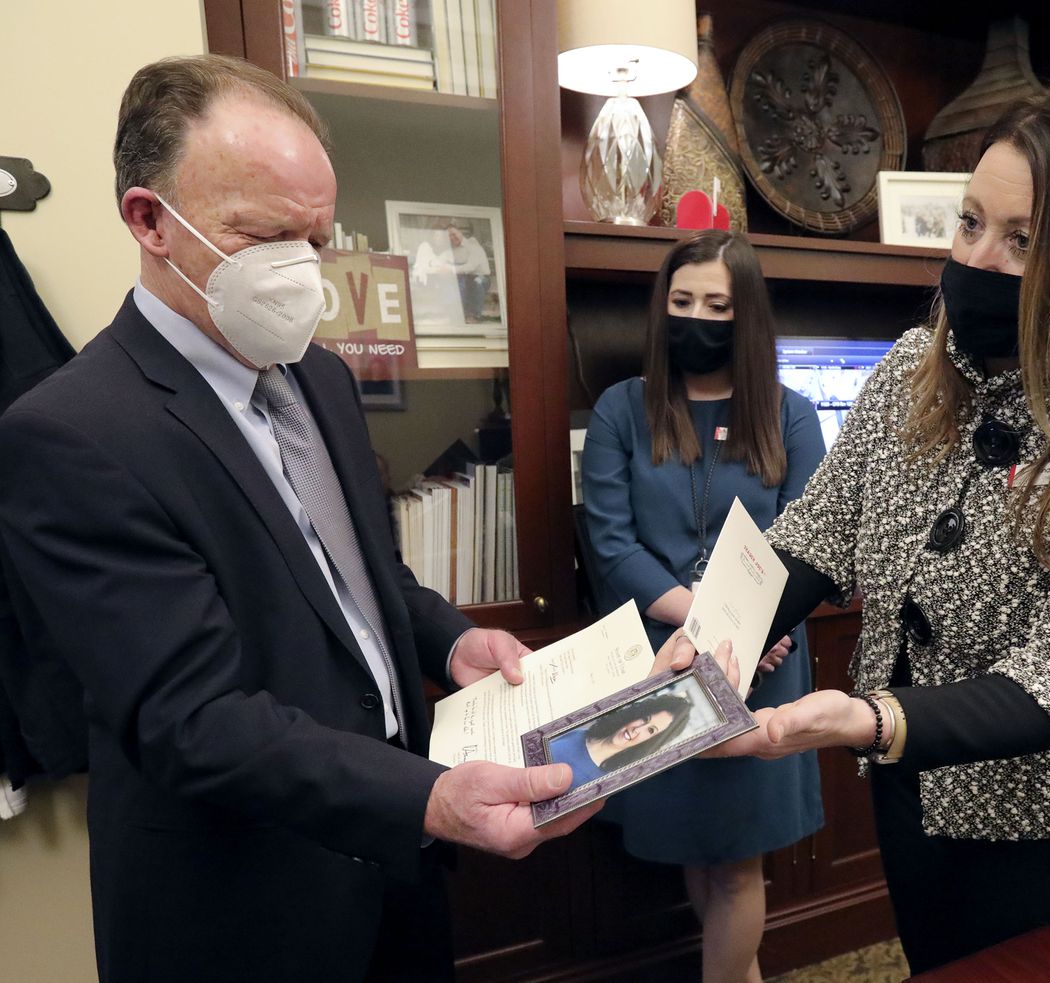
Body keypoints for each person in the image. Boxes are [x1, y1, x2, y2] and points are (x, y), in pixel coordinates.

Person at [0, 54, 638, 983]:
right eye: (263, 238)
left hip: (394, 864)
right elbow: (193, 717)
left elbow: (364, 581)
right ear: (150, 221)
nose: (301, 271)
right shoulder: (70, 433)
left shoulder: (323, 377)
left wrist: (454, 645)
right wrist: (430, 798)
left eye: (317, 235)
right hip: (240, 904)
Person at [721, 76, 1050, 973]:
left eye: (1024, 240)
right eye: (969, 223)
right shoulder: (921, 362)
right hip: (913, 791)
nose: (976, 258)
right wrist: (717, 624)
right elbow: (819, 528)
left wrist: (870, 718)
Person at [582, 229, 825, 983]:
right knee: (696, 847)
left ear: (745, 314)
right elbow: (610, 543)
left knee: (737, 864)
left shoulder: (790, 415)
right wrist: (710, 621)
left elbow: (812, 542)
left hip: (765, 662)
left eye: (717, 304)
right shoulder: (622, 409)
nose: (696, 317)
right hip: (667, 659)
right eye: (682, 300)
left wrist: (756, 630)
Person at [548, 691, 694, 787]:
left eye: (650, 730)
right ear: (636, 714)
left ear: (650, 741)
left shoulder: (605, 782)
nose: (637, 730)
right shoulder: (581, 733)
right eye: (644, 718)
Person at [444, 224, 492, 322]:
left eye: (454, 234)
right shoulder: (451, 250)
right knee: (452, 283)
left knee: (477, 282)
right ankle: (456, 313)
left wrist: (451, 269)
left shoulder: (472, 245)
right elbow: (444, 260)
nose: (452, 238)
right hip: (464, 278)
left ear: (460, 232)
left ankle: (474, 316)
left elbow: (471, 267)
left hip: (481, 277)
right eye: (449, 236)